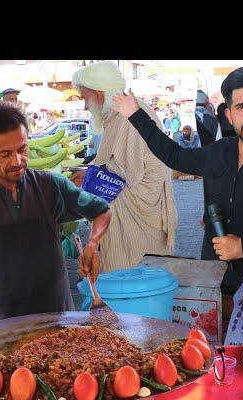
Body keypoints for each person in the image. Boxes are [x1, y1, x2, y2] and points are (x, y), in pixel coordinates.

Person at [112, 65, 243, 297]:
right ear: (229, 115)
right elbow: (174, 155)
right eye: (241, 107)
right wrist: (135, 114)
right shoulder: (216, 154)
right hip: (212, 282)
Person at [0, 101, 111, 322]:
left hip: (57, 315)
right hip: (2, 321)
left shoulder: (51, 186)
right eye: (5, 154)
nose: (17, 161)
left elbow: (101, 210)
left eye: (22, 150)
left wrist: (92, 244)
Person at [72, 61, 178, 272]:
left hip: (139, 224)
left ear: (99, 94)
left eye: (85, 98)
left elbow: (117, 176)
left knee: (133, 289)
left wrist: (80, 181)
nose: (85, 106)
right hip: (135, 217)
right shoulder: (119, 115)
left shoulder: (128, 117)